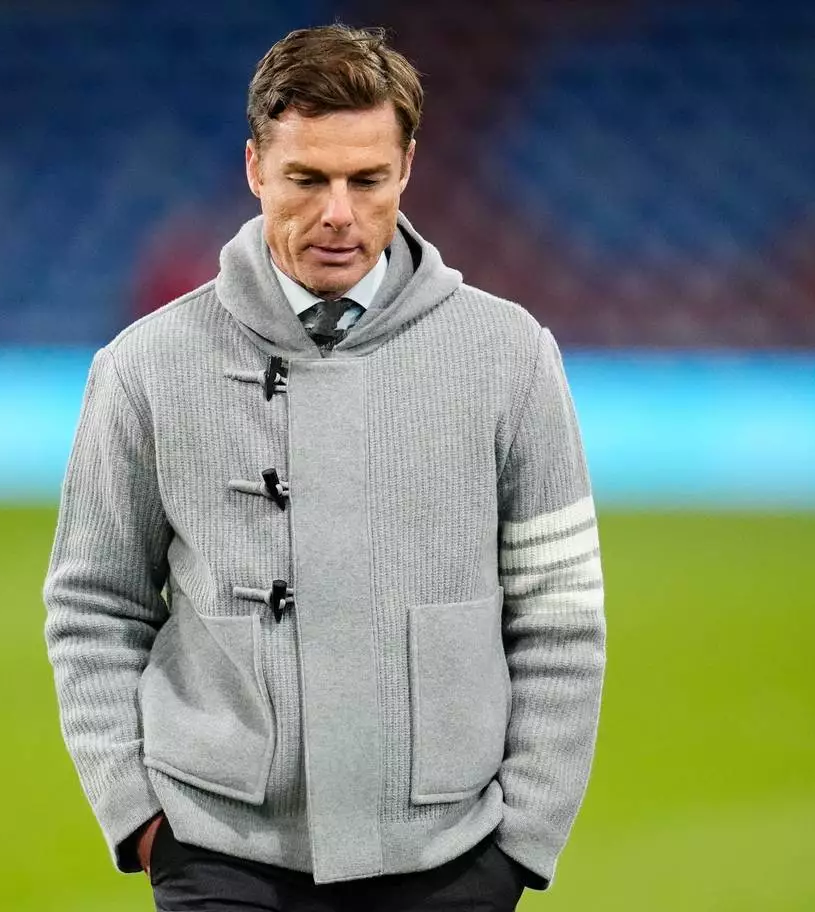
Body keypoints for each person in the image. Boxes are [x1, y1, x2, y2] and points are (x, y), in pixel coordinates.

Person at [44, 24, 606, 912]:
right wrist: (140, 817)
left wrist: (522, 839)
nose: (338, 213)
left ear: (407, 169)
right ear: (256, 169)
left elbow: (560, 610)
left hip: (449, 856)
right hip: (214, 850)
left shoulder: (510, 355)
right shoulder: (144, 366)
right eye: (307, 179)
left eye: (366, 179)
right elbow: (92, 603)